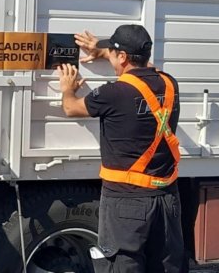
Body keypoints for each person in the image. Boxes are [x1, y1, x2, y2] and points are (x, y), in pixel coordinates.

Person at [57, 24, 186, 273]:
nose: (111, 59)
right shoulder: (170, 85)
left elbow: (71, 108)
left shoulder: (112, 93)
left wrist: (67, 88)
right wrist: (105, 52)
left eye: (114, 54)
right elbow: (145, 72)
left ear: (123, 57)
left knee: (122, 264)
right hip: (167, 198)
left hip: (126, 201)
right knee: (165, 265)